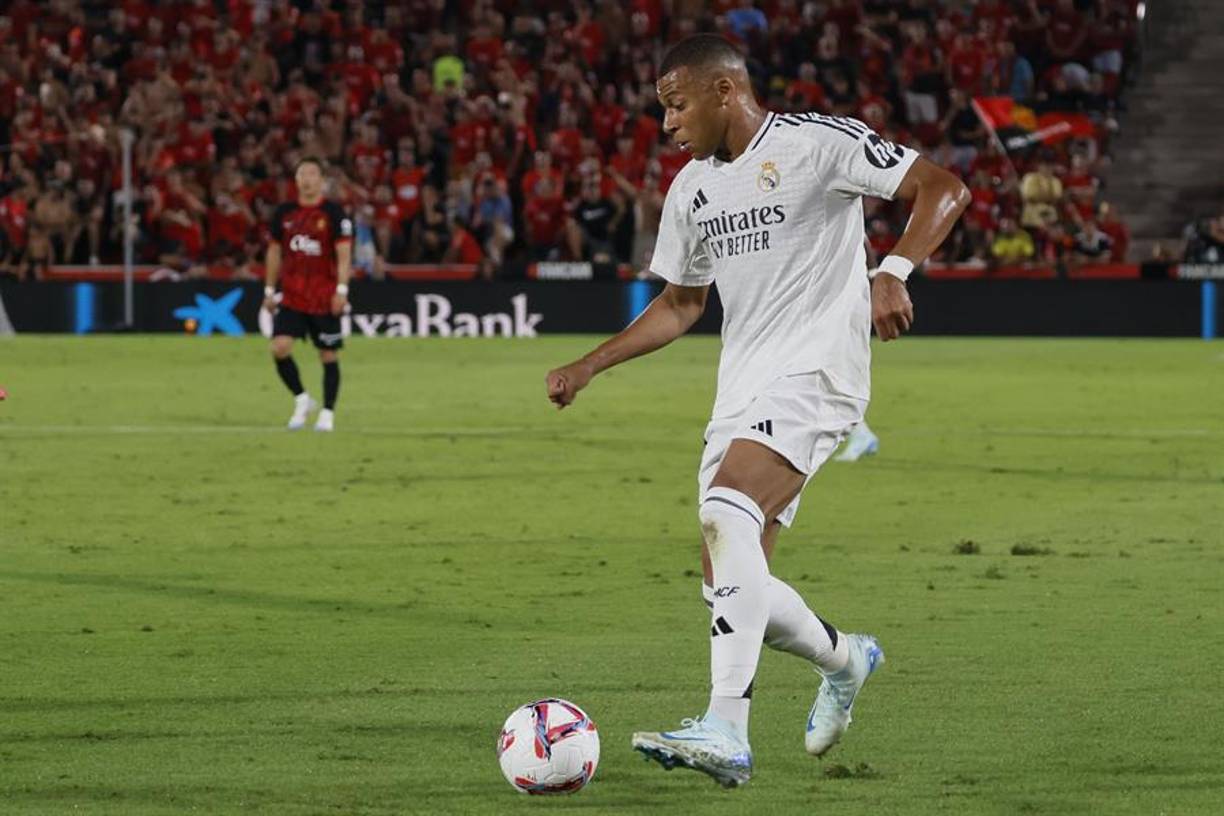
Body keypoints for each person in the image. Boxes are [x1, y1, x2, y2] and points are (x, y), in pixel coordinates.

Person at [545, 34, 968, 787]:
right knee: (733, 585)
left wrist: (893, 269)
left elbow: (943, 186)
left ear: (723, 92)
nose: (668, 123)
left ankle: (726, 729)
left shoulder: (815, 144)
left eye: (676, 105)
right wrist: (590, 364)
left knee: (728, 508)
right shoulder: (692, 191)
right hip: (741, 388)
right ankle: (846, 659)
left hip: (819, 372)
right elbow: (680, 305)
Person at [263, 157, 353, 432]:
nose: (307, 179)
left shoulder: (334, 214)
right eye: (302, 173)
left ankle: (327, 412)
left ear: (322, 180)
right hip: (291, 296)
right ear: (296, 180)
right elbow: (274, 252)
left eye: (313, 174)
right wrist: (269, 289)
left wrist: (341, 290)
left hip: (323, 297)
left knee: (327, 355)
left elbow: (343, 255)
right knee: (279, 348)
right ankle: (302, 400)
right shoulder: (284, 213)